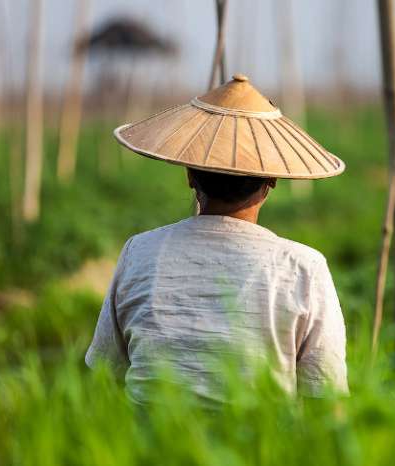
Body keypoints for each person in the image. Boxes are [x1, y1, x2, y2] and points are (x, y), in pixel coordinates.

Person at [86, 74, 348, 404]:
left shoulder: (139, 252)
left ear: (189, 175)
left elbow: (106, 372)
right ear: (272, 181)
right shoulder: (303, 268)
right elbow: (325, 395)